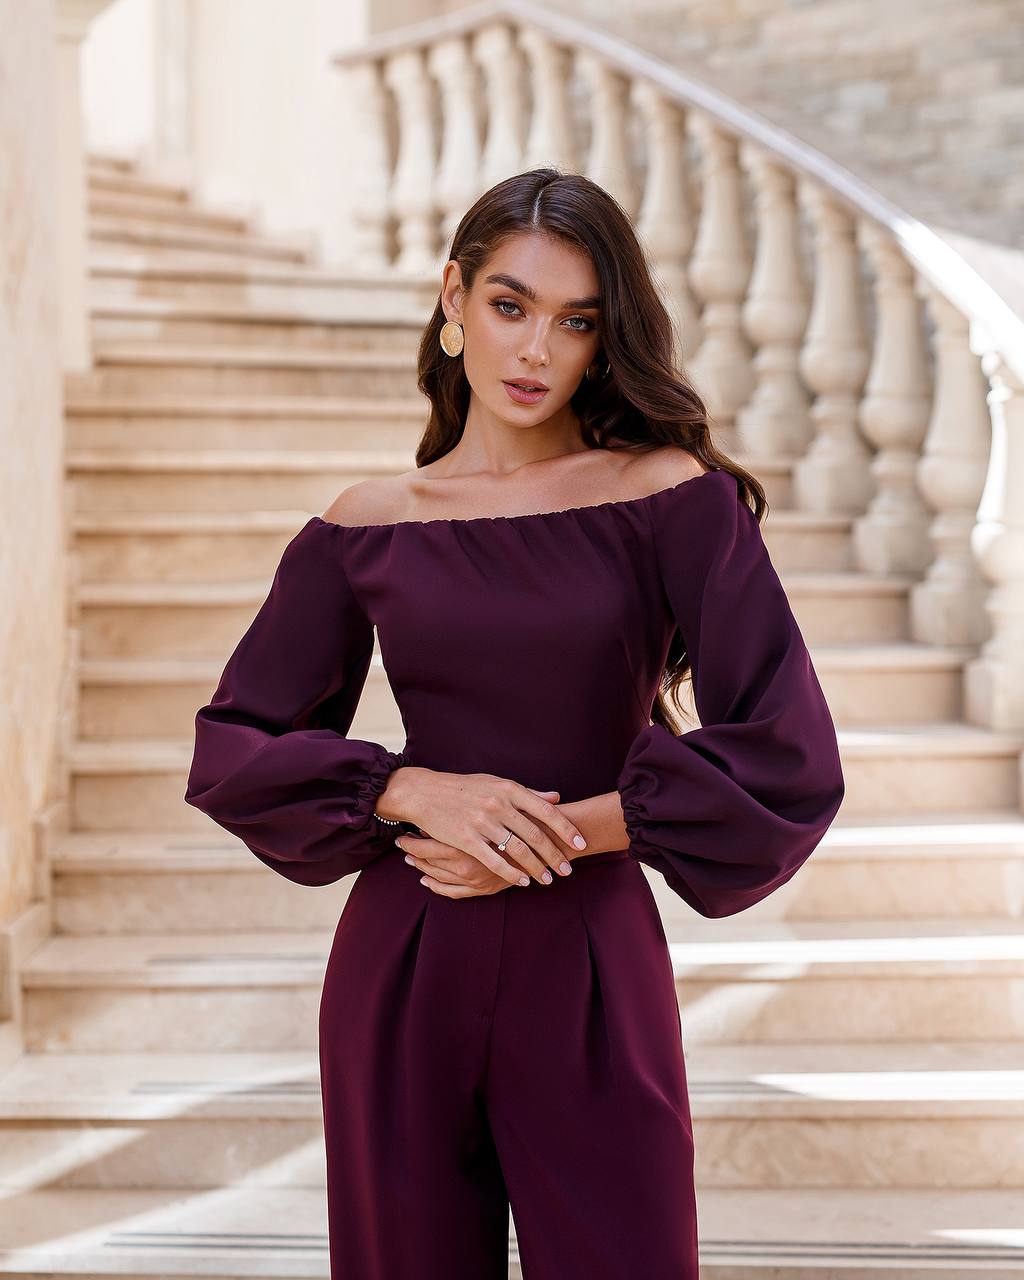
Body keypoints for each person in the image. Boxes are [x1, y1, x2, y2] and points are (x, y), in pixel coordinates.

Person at [184, 167, 846, 1280]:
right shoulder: (364, 524)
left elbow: (786, 752)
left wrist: (557, 833)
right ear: (452, 299)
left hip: (588, 956)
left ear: (605, 336)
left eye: (575, 320)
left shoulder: (668, 497)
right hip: (404, 954)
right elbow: (235, 742)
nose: (536, 349)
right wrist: (407, 788)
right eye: (509, 305)